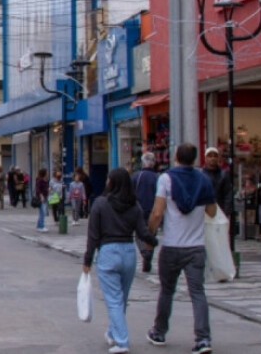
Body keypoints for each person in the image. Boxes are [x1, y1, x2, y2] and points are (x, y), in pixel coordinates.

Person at [146, 143, 217, 354]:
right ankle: (203, 339)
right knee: (197, 292)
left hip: (171, 245)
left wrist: (149, 234)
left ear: (176, 157)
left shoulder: (166, 179)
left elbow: (158, 212)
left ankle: (159, 331)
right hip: (195, 246)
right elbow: (212, 211)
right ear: (195, 159)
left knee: (167, 290)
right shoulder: (203, 179)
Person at [82, 168, 157, 354]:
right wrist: (153, 241)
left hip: (108, 252)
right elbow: (142, 232)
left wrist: (87, 259)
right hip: (128, 252)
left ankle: (122, 342)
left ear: (111, 182)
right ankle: (112, 332)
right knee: (121, 299)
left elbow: (93, 236)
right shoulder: (134, 205)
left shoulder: (100, 204)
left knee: (114, 300)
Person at [202, 147, 235, 250]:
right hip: (204, 212)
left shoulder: (223, 175)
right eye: (210, 156)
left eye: (215, 156)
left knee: (221, 239)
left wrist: (226, 212)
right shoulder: (200, 174)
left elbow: (228, 194)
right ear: (205, 158)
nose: (212, 159)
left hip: (220, 211)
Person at [133, 152, 161, 273]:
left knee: (139, 234)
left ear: (142, 162)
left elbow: (130, 193)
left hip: (139, 210)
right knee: (151, 234)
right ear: (154, 163)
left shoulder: (136, 176)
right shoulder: (158, 178)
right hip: (153, 211)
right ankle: (148, 256)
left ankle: (145, 253)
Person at [35, 168, 50, 232]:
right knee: (43, 212)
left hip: (45, 196)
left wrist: (48, 189)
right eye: (46, 172)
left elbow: (45, 188)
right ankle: (41, 226)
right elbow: (38, 189)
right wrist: (41, 196)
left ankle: (39, 226)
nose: (47, 174)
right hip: (42, 198)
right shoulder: (40, 180)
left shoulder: (45, 180)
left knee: (42, 212)